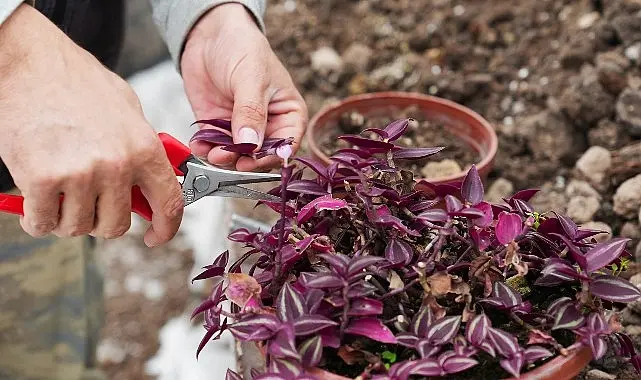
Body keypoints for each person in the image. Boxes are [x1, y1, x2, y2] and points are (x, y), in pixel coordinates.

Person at [0, 1, 306, 379]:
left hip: (63, 159)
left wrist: (210, 15)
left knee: (51, 353)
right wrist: (14, 57)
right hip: (50, 119)